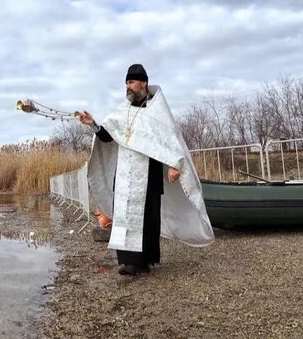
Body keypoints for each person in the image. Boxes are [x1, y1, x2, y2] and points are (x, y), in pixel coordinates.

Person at [77, 64, 214, 276]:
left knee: (148, 219)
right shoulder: (122, 113)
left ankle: (148, 259)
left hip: (149, 174)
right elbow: (107, 136)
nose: (128, 87)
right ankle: (128, 262)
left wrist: (173, 164)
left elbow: (170, 139)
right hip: (124, 175)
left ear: (144, 83)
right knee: (124, 216)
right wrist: (93, 124)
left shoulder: (157, 112)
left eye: (131, 82)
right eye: (126, 83)